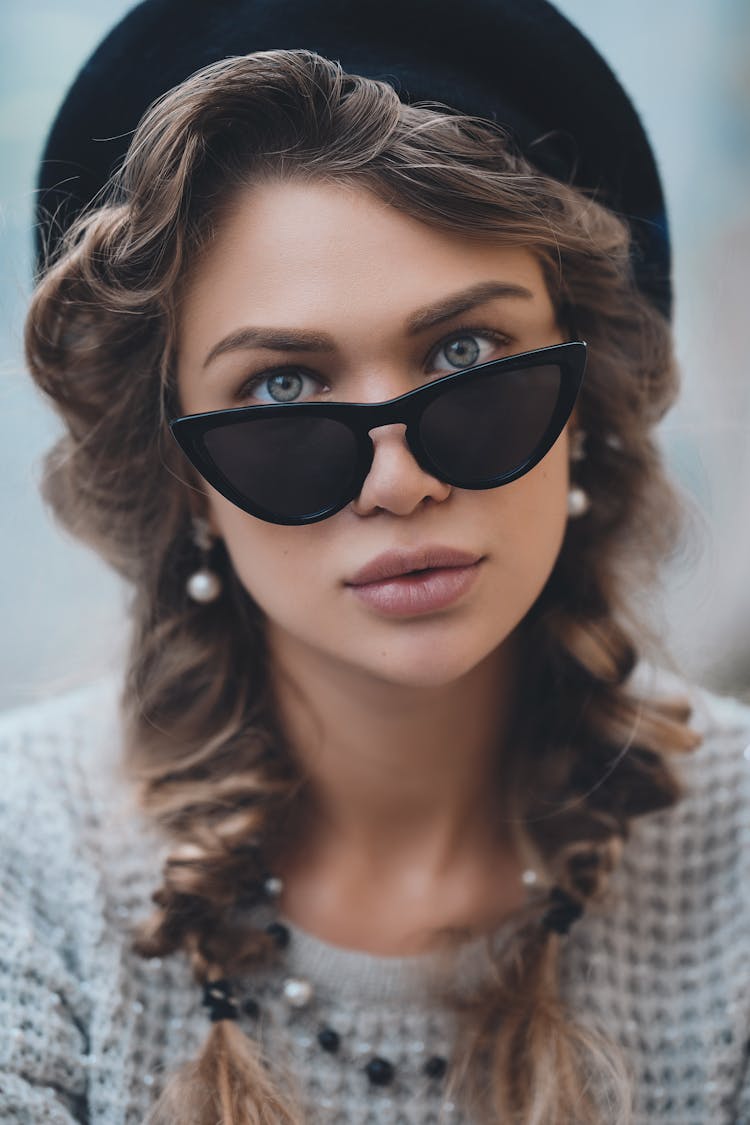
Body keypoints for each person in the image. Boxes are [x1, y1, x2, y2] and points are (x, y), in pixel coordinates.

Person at [2, 2, 750, 1123]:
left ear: (582, 404)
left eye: (466, 353)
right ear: (182, 478)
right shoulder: (23, 868)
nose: (397, 482)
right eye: (284, 389)